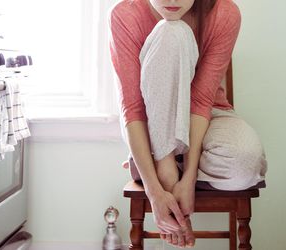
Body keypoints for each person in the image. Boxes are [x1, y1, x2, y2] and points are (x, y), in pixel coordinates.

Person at [109, 0, 267, 248]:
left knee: (246, 163)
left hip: (208, 114)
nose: (172, 0)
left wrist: (190, 176)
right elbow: (133, 108)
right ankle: (164, 165)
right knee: (172, 30)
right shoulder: (124, 14)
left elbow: (202, 100)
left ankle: (167, 164)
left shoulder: (225, 12)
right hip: (154, 120)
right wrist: (154, 189)